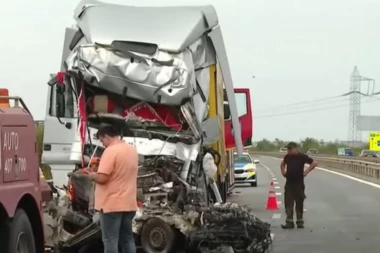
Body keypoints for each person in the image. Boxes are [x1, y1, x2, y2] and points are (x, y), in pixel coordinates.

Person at [89, 125, 138, 253]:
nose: (103, 144)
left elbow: (103, 178)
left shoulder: (111, 151)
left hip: (111, 204)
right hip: (129, 203)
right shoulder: (131, 150)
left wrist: (92, 175)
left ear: (107, 137)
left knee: (110, 240)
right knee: (127, 239)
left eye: (102, 140)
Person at [280, 142, 317, 229]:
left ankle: (299, 221)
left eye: (290, 149)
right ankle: (289, 222)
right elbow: (282, 164)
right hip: (289, 183)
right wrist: (283, 172)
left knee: (299, 202)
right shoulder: (287, 157)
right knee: (288, 203)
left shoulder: (302, 156)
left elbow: (314, 163)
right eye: (288, 149)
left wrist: (306, 171)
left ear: (295, 148)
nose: (288, 150)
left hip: (299, 183)